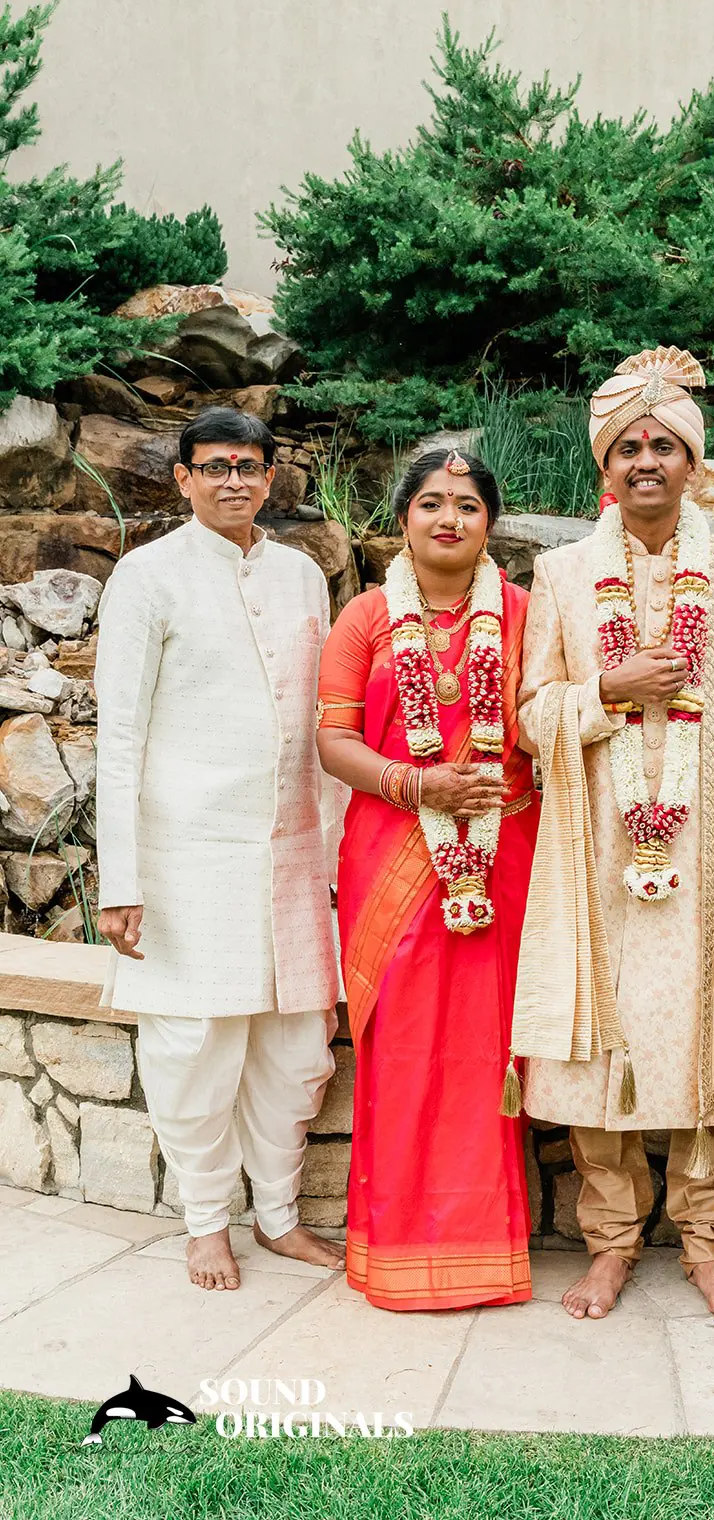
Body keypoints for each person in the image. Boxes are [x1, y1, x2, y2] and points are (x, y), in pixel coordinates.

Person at [510, 345, 714, 1325]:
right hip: (594, 857)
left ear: (692, 462)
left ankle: (707, 1248)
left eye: (662, 445)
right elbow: (528, 717)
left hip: (709, 856)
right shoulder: (561, 574)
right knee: (601, 1053)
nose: (644, 462)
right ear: (604, 464)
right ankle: (611, 1245)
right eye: (626, 446)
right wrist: (605, 690)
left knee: (709, 1056)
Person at [95, 406, 343, 1292]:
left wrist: (337, 858)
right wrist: (120, 879)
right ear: (184, 478)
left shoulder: (302, 576)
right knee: (192, 1043)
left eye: (247, 466)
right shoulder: (147, 575)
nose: (233, 480)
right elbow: (119, 735)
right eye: (214, 466)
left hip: (294, 850)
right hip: (186, 855)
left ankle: (277, 1215)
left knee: (297, 1046)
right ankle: (205, 1222)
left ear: (270, 478)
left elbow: (325, 719)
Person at [316, 447, 538, 1312]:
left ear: (490, 523)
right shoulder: (366, 619)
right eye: (433, 503)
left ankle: (483, 1254)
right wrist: (416, 785)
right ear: (403, 517)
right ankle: (398, 1253)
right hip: (391, 857)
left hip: (500, 854)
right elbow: (334, 743)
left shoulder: (526, 616)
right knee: (404, 1052)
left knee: (486, 1052)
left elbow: (551, 722)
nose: (450, 518)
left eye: (468, 505)